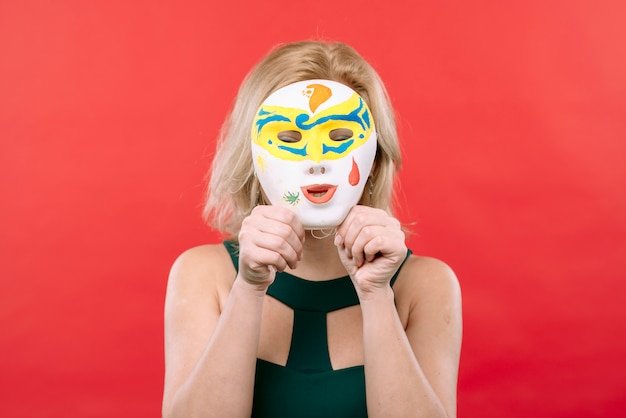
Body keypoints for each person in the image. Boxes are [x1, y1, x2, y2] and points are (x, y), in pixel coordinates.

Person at [161, 40, 462, 418]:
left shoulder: (427, 286)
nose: (317, 162)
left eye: (339, 137)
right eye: (289, 140)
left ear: (374, 157)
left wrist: (376, 296)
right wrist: (248, 289)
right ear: (252, 156)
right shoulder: (203, 275)